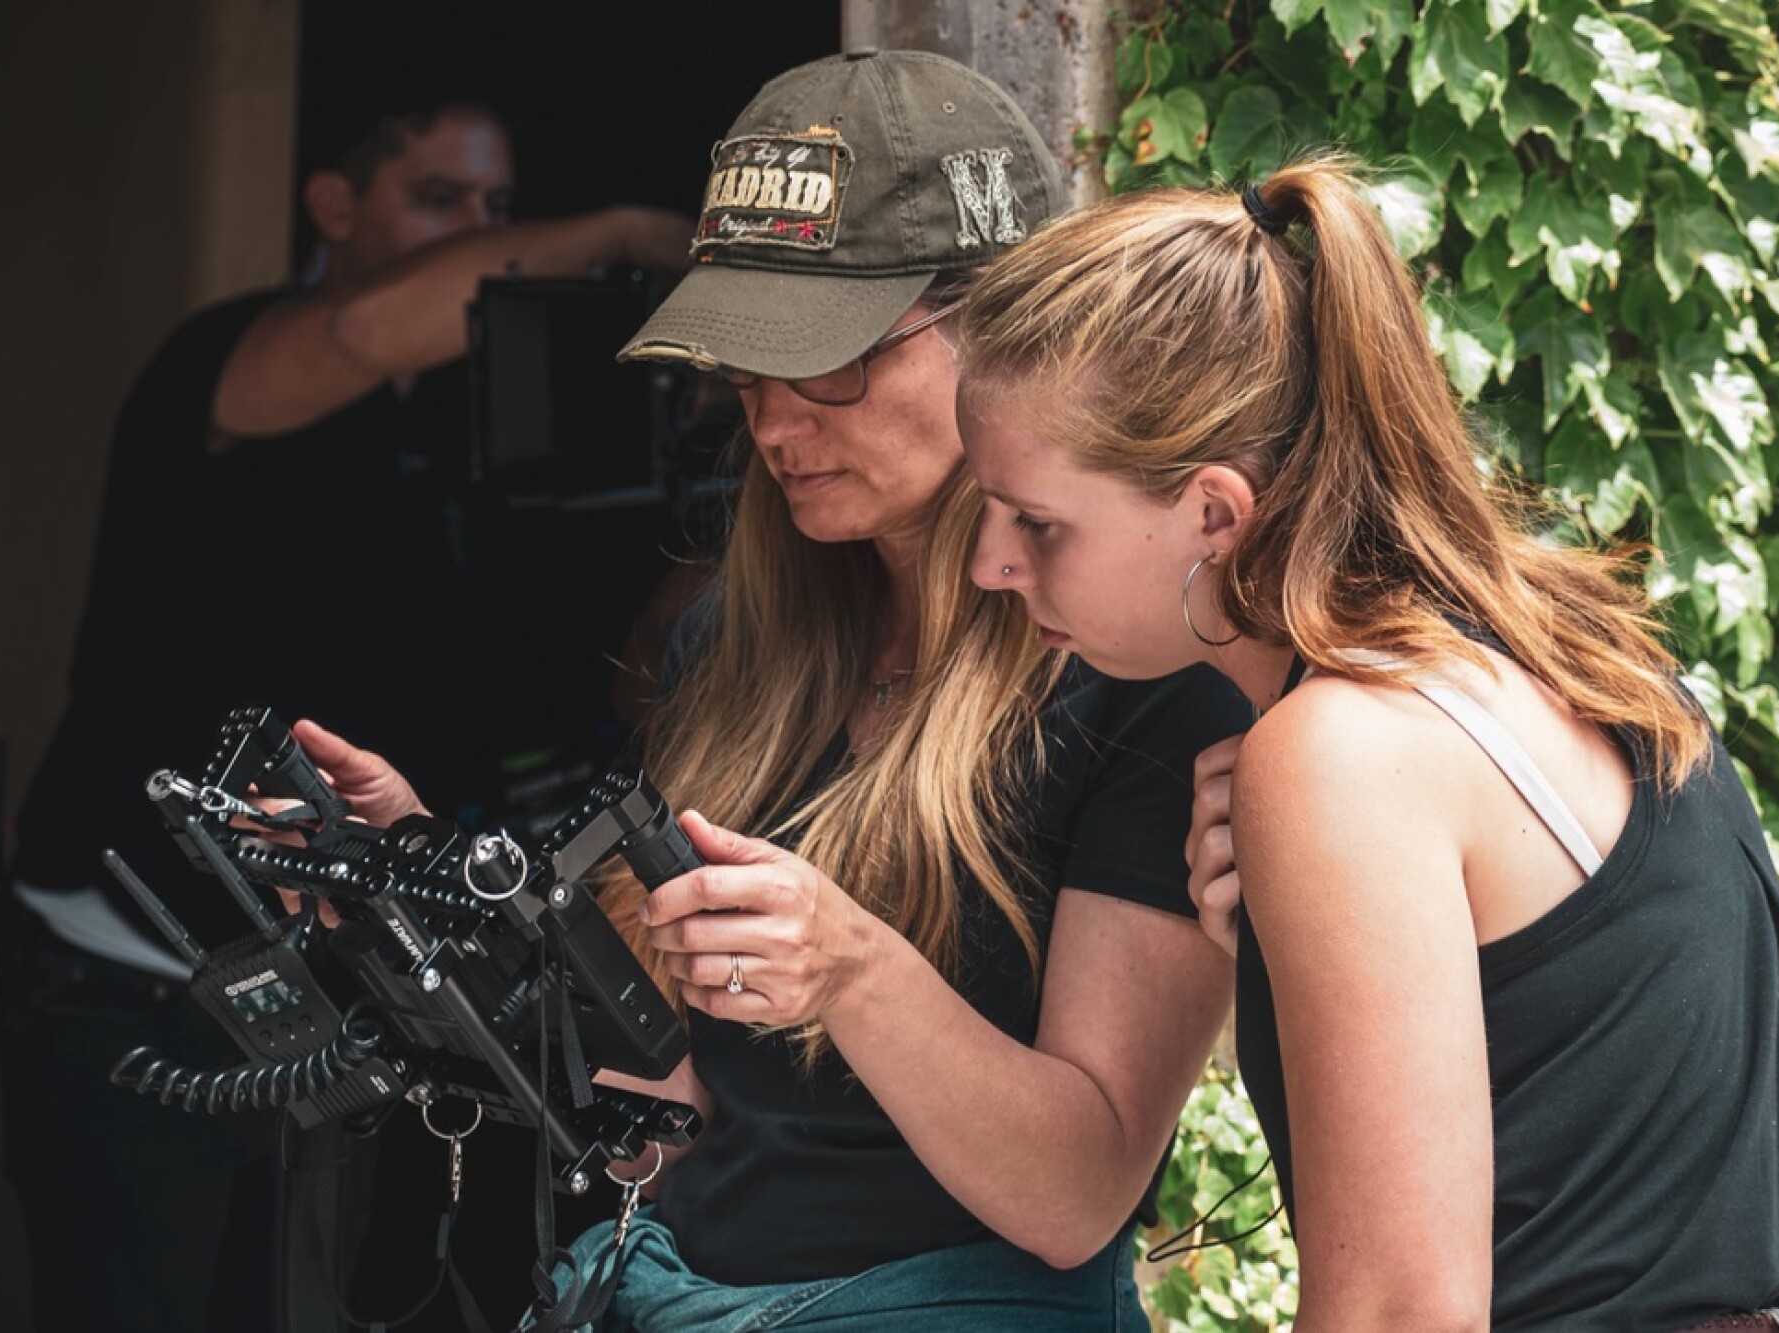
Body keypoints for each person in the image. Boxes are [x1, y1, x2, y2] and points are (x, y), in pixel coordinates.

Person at [298, 50, 1247, 1331]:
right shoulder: (737, 650)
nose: (775, 425)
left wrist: (854, 968)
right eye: (743, 372)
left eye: (827, 364)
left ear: (1005, 329)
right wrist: (419, 901)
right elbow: (670, 1122)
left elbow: (1079, 1193)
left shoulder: (1143, 682)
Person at [952, 156, 1779, 1329]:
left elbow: (1395, 1311)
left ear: (1214, 515)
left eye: (1037, 522)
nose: (990, 564)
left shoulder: (1343, 750)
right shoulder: (1539, 651)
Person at [0, 92, 689, 1332]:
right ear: (334, 205)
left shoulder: (458, 419)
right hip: (133, 968)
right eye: (440, 200)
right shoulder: (229, 356)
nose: (478, 233)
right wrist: (634, 229)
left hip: (339, 989)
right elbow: (371, 321)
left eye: (494, 210)